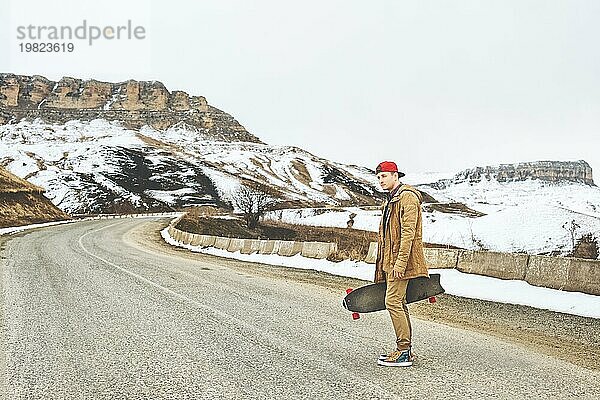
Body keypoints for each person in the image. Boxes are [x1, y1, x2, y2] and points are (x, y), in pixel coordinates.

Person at [374, 161, 428, 367]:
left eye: (384, 176)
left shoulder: (407, 197)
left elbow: (409, 233)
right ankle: (406, 349)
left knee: (393, 302)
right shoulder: (391, 199)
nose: (381, 180)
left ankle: (403, 350)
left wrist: (400, 263)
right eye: (378, 177)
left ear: (395, 176)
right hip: (390, 260)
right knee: (398, 302)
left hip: (400, 261)